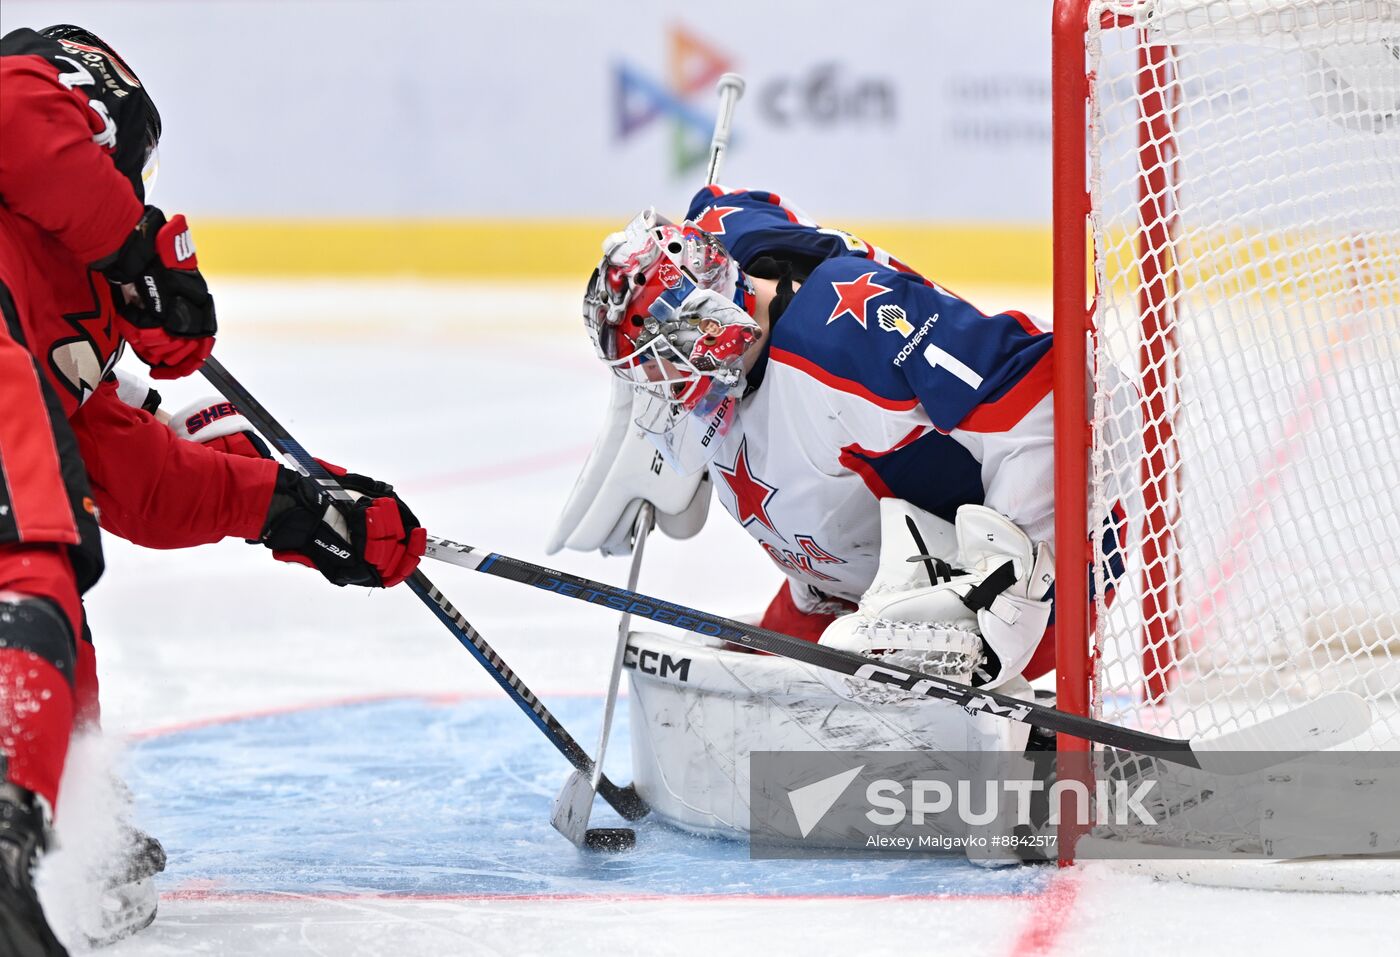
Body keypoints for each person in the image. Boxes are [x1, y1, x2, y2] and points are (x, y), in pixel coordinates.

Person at [0, 25, 426, 955]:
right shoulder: (24, 108)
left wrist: (292, 507)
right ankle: (8, 834)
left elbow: (124, 473)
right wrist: (136, 244)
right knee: (29, 564)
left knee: (57, 588)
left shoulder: (56, 295)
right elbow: (12, 110)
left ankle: (66, 828)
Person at [576, 187, 1077, 692]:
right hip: (856, 585)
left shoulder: (840, 344)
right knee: (751, 688)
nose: (665, 389)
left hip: (1050, 575)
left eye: (663, 360)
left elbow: (1042, 396)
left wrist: (1013, 585)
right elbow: (721, 205)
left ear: (710, 324)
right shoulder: (727, 239)